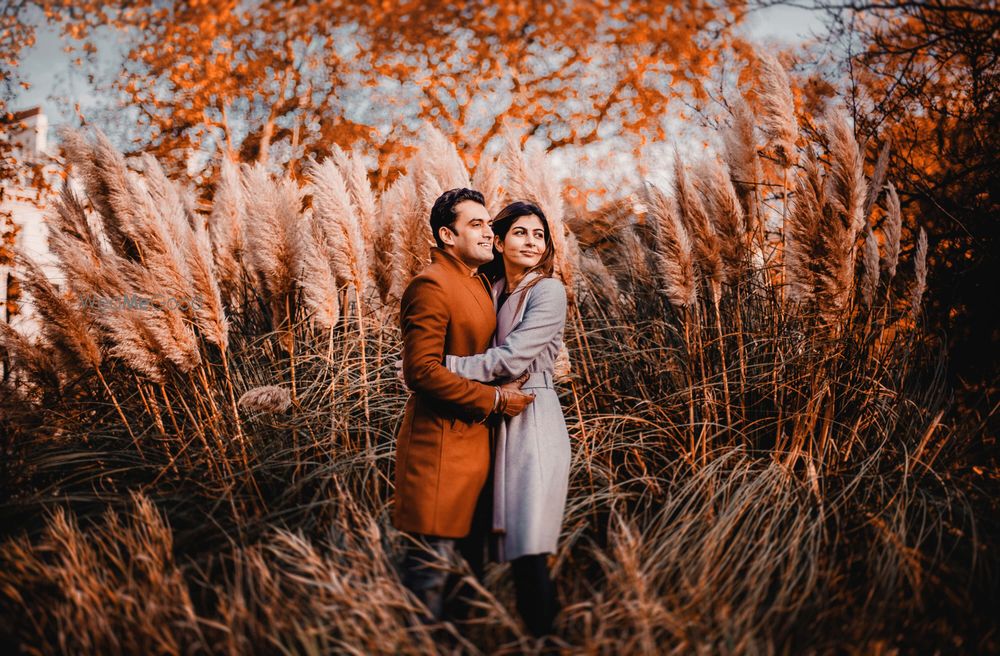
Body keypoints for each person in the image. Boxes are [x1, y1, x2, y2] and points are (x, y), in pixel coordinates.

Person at [393, 188, 535, 623]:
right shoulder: (432, 284)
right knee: (429, 576)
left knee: (466, 582)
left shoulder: (478, 280)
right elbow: (421, 372)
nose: (489, 232)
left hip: (478, 450)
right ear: (446, 235)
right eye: (476, 224)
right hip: (439, 451)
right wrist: (495, 399)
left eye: (489, 224)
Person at [444, 201, 571, 638]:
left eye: (539, 235)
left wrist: (443, 368)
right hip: (491, 416)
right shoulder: (491, 288)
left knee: (527, 544)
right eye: (520, 232)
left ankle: (545, 640)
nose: (532, 242)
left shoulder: (548, 292)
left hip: (532, 417)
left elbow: (513, 358)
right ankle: (463, 635)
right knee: (473, 533)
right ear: (498, 242)